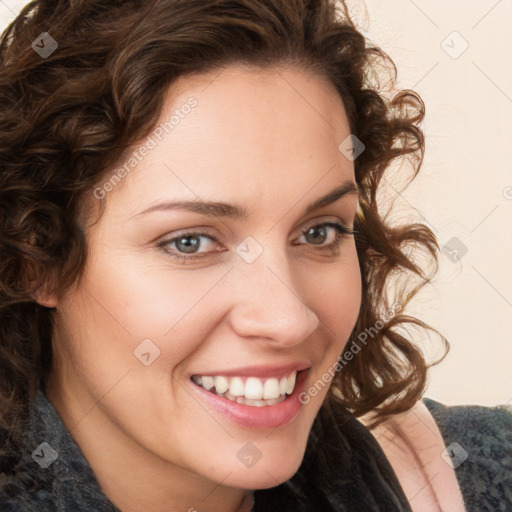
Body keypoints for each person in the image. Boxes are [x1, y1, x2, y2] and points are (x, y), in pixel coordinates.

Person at [0, 0, 510, 511]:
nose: (288, 319)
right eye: (190, 242)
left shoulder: (471, 479)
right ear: (38, 258)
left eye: (319, 232)